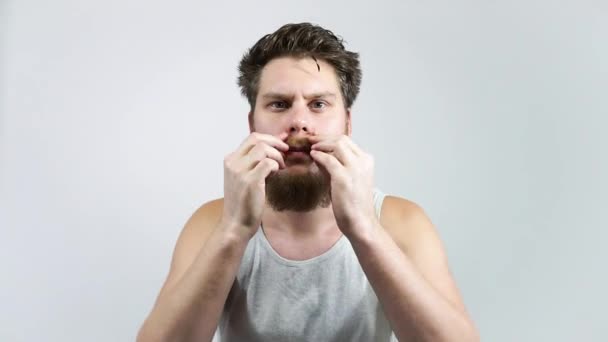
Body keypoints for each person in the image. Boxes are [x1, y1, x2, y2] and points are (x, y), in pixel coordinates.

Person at [137, 23, 479, 342]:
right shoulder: (211, 223)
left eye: (318, 104)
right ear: (252, 124)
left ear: (346, 124)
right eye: (279, 104)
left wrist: (364, 228)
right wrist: (233, 230)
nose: (299, 121)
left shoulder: (402, 223)